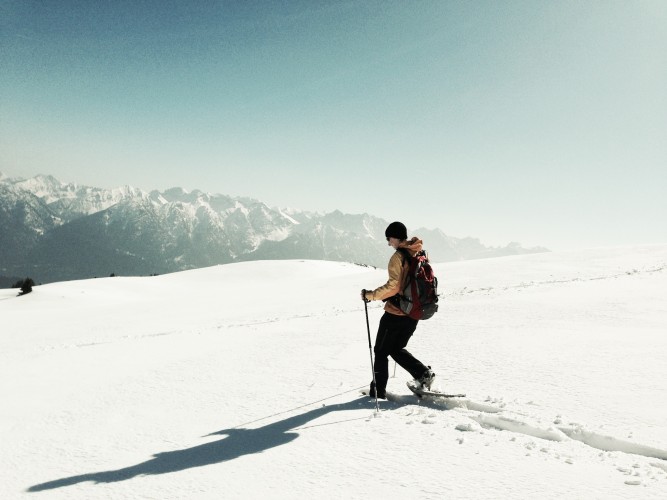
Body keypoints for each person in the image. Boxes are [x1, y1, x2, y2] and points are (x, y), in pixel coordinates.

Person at [361, 221, 435, 399]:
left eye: (389, 238)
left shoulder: (398, 257)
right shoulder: (418, 251)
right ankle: (422, 373)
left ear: (395, 237)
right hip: (415, 312)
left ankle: (377, 392)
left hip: (397, 313)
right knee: (396, 348)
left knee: (380, 351)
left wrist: (370, 295)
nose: (388, 243)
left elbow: (393, 286)